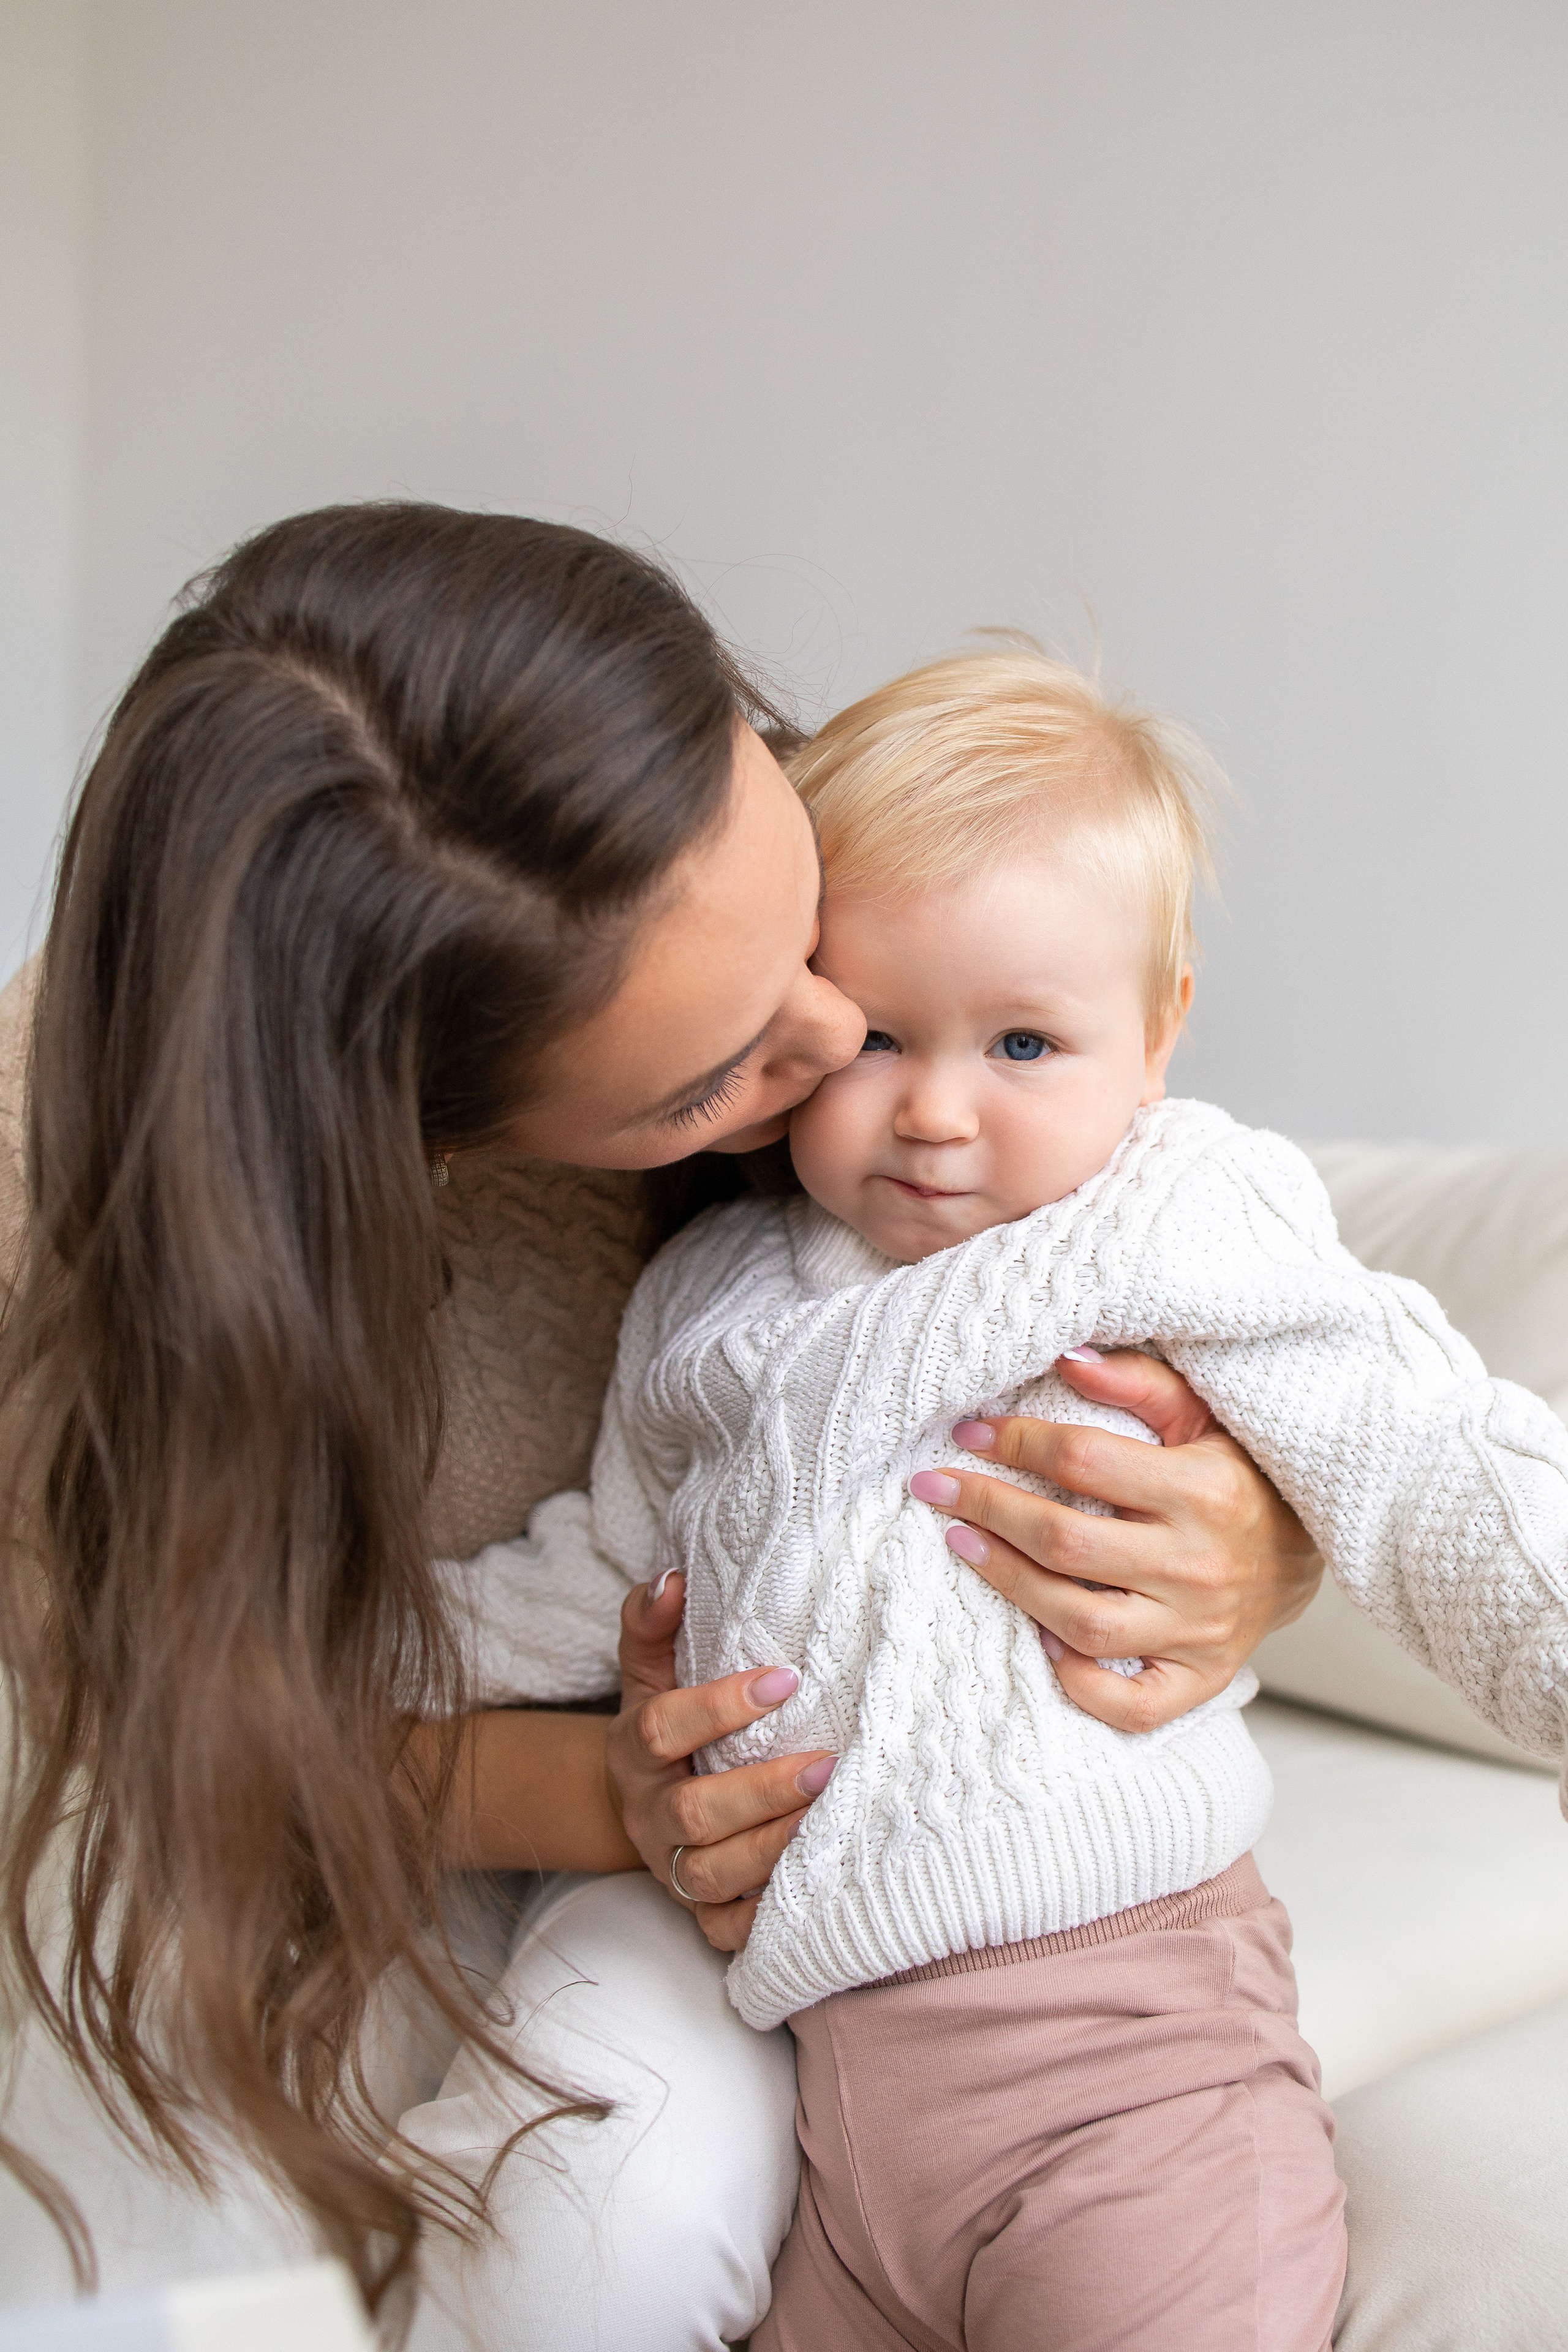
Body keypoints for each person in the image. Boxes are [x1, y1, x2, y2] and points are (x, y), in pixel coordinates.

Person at [0, 505, 1321, 2350]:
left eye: (805, 923)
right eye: (722, 1077)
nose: (844, 1030)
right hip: (429, 1814)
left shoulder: (791, 884)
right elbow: (194, 1736)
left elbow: (1135, 1249)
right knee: (578, 2219)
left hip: (860, 1837)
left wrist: (1253, 1534)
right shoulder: (101, 1208)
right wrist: (603, 1791)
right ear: (421, 1133)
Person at [456, 644, 1568, 2352]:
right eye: (878, 1036)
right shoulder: (714, 1300)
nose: (938, 1115)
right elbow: (599, 1565)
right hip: (837, 2094)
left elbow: (1417, 1450)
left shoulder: (1173, 1216)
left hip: (1130, 2068)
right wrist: (395, 1650)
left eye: (1027, 1041)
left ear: (1162, 1029)